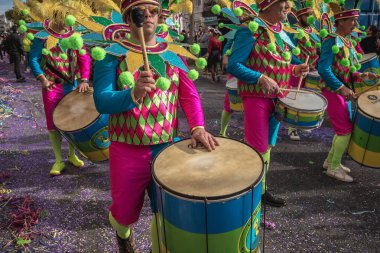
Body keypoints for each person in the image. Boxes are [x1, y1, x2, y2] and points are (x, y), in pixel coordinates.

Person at [92, 0, 218, 252]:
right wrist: (133, 94)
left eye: (154, 11)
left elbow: (189, 96)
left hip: (166, 148)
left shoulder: (172, 54)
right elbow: (101, 101)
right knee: (123, 214)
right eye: (141, 12)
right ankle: (123, 235)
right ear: (128, 19)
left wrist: (197, 127)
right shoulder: (111, 55)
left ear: (160, 18)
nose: (148, 16)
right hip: (126, 150)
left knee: (165, 213)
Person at [228, 0, 309, 207]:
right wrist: (260, 78)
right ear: (269, 4)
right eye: (284, 2)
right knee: (257, 147)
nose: (288, 7)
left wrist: (294, 70)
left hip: (280, 96)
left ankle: (261, 189)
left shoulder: (281, 31)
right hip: (257, 96)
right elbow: (234, 65)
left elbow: (277, 62)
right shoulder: (250, 29)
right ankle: (251, 193)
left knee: (269, 145)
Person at [318, 0, 378, 182]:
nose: (356, 24)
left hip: (342, 91)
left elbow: (350, 71)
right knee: (344, 131)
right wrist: (341, 87)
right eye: (353, 20)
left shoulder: (348, 42)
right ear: (341, 21)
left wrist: (363, 75)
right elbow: (324, 69)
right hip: (333, 90)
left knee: (343, 129)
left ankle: (330, 161)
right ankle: (334, 168)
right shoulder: (331, 40)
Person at [28, 5, 91, 176]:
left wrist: (84, 79)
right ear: (56, 19)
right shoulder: (42, 36)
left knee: (72, 122)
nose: (67, 25)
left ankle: (72, 155)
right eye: (64, 20)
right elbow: (33, 58)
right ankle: (58, 159)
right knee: (53, 124)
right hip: (51, 87)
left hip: (71, 86)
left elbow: (84, 58)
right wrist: (42, 78)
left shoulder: (74, 36)